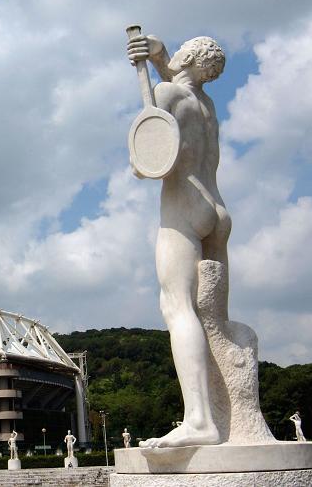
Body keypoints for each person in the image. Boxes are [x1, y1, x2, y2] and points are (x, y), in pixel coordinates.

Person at [127, 32, 227, 449]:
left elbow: (146, 161)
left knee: (176, 305)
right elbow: (180, 81)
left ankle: (200, 420)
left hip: (183, 206)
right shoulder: (207, 106)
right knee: (212, 319)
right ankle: (221, 412)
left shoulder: (166, 92)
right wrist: (159, 55)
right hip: (217, 210)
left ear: (188, 55)